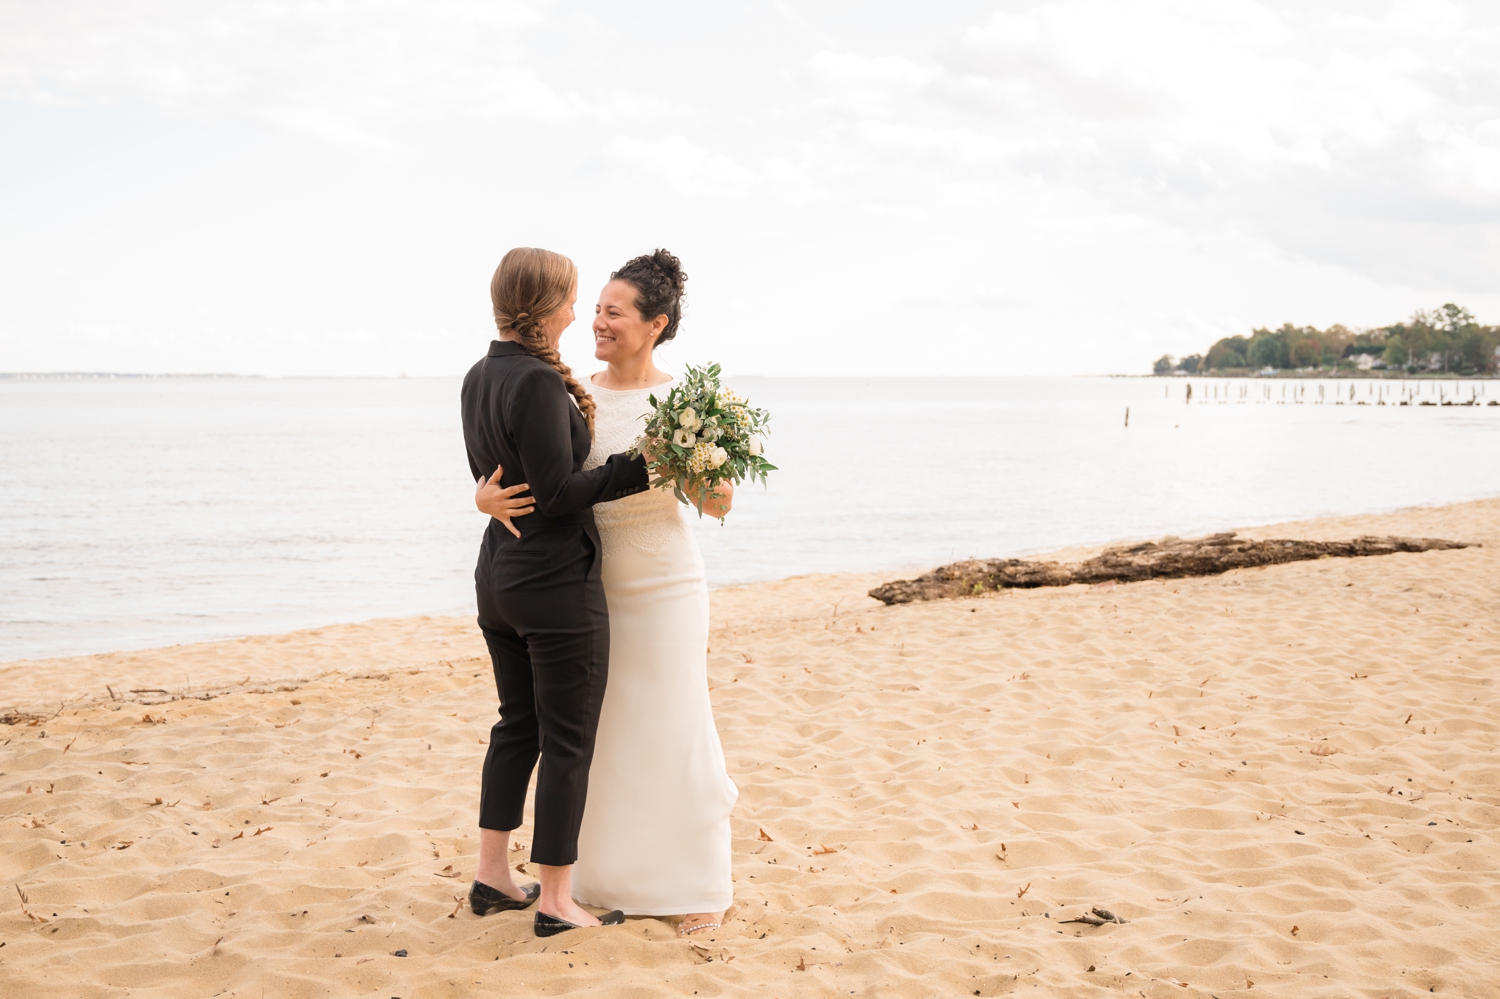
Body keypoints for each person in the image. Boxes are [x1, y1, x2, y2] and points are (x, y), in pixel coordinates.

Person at [478, 249, 738, 937]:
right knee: (602, 735)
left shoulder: (685, 402)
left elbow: (720, 503)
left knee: (674, 724)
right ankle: (596, 878)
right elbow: (537, 477)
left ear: (654, 325)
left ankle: (697, 883)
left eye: (613, 312)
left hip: (664, 583)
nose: (596, 321)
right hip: (582, 586)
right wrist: (481, 498)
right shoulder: (570, 390)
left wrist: (694, 461)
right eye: (593, 308)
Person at [460, 246, 650, 938]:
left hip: (498, 581)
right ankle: (557, 901)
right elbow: (559, 494)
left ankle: (491, 876)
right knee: (568, 738)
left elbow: (501, 482)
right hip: (552, 586)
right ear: (543, 308)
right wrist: (641, 466)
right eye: (572, 298)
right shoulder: (539, 383)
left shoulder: (479, 375)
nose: (578, 309)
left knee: (518, 724)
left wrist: (479, 498)